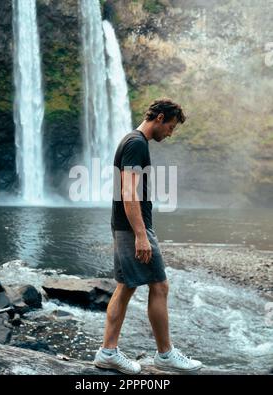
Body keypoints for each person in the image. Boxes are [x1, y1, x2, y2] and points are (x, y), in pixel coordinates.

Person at [93, 98, 202, 374]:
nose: (170, 133)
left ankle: (109, 351)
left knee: (127, 286)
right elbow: (128, 192)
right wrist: (141, 235)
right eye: (171, 127)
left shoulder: (133, 141)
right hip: (132, 228)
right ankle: (162, 354)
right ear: (160, 117)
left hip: (128, 225)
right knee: (158, 285)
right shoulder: (136, 143)